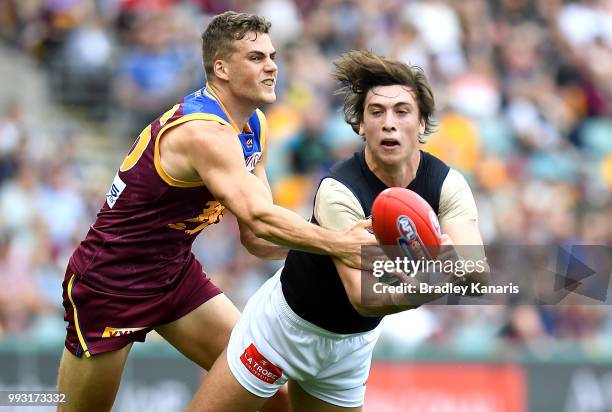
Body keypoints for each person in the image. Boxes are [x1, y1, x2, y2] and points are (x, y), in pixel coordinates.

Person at [56, 12, 375, 412]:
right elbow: (260, 218)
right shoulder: (203, 132)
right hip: (111, 282)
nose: (272, 65)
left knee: (267, 395)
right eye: (256, 57)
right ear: (221, 68)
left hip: (174, 275)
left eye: (272, 56)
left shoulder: (253, 124)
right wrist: (339, 243)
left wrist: (334, 248)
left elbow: (257, 238)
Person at [187, 50, 490, 412]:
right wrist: (434, 274)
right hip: (283, 330)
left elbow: (477, 274)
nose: (389, 122)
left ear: (423, 123)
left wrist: (451, 262)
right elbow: (364, 296)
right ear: (361, 125)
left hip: (352, 346)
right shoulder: (338, 189)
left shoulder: (447, 184)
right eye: (376, 112)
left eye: (402, 111)